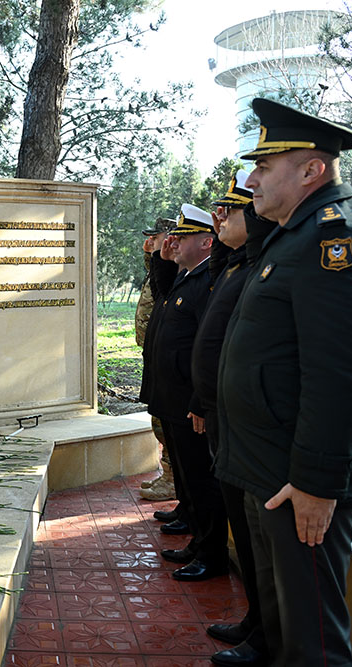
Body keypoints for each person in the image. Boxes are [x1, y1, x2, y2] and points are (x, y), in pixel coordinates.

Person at [216, 98, 352, 666]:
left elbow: (339, 376)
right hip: (268, 468)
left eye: (265, 167)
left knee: (312, 641)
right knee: (284, 624)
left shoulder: (334, 243)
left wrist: (316, 484)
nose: (253, 179)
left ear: (312, 170)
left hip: (300, 481)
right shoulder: (293, 236)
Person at [190, 171, 274, 667]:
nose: (220, 217)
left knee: (254, 535)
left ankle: (265, 633)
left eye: (231, 210)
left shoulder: (260, 264)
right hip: (224, 415)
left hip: (244, 421)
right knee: (244, 530)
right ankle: (256, 621)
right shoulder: (236, 265)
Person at [144, 205, 227, 582]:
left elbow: (209, 347)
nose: (173, 242)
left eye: (183, 237)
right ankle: (195, 535)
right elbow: (162, 295)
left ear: (207, 242)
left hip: (189, 398)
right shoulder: (186, 277)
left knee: (201, 477)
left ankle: (209, 551)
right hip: (173, 394)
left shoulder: (206, 280)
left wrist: (199, 399)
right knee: (188, 474)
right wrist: (160, 259)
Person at [136, 217, 178, 503]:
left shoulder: (175, 267)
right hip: (153, 350)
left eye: (156, 236)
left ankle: (174, 480)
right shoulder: (159, 265)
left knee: (166, 422)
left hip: (168, 354)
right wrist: (150, 252)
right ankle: (169, 476)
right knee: (159, 418)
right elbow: (154, 273)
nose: (150, 240)